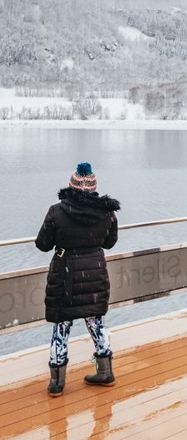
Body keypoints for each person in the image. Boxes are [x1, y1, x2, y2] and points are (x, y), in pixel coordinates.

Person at [35, 162, 120, 397]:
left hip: (65, 276)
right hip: (95, 272)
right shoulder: (107, 212)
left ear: (71, 186)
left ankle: (56, 383)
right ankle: (105, 372)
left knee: (61, 326)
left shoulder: (56, 211)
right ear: (93, 188)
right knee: (96, 323)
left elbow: (42, 244)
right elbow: (110, 243)